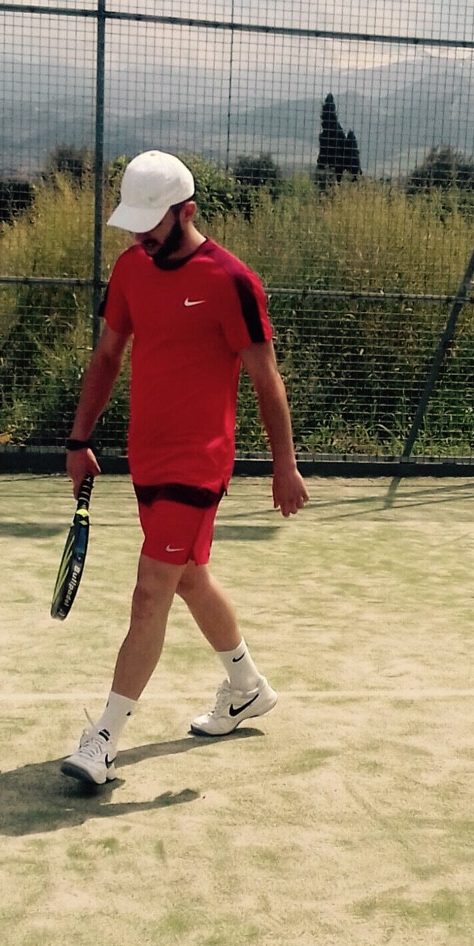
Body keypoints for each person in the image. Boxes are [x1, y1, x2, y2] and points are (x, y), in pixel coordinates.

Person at [60, 149, 309, 786]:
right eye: (135, 222)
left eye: (152, 222)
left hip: (199, 462)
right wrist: (79, 438)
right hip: (147, 455)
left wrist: (284, 464)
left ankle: (104, 737)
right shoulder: (130, 269)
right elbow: (108, 357)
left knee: (151, 591)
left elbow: (266, 379)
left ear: (187, 211)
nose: (141, 234)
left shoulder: (231, 280)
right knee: (190, 578)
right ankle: (246, 686)